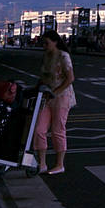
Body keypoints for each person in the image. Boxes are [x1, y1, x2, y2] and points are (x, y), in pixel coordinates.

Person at [33, 31, 76, 175]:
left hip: (62, 97)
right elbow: (43, 76)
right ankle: (42, 163)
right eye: (43, 43)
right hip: (46, 96)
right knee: (39, 128)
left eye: (47, 43)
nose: (44, 46)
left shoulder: (63, 56)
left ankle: (59, 164)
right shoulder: (46, 56)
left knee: (58, 130)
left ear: (55, 42)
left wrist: (55, 92)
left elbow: (70, 78)